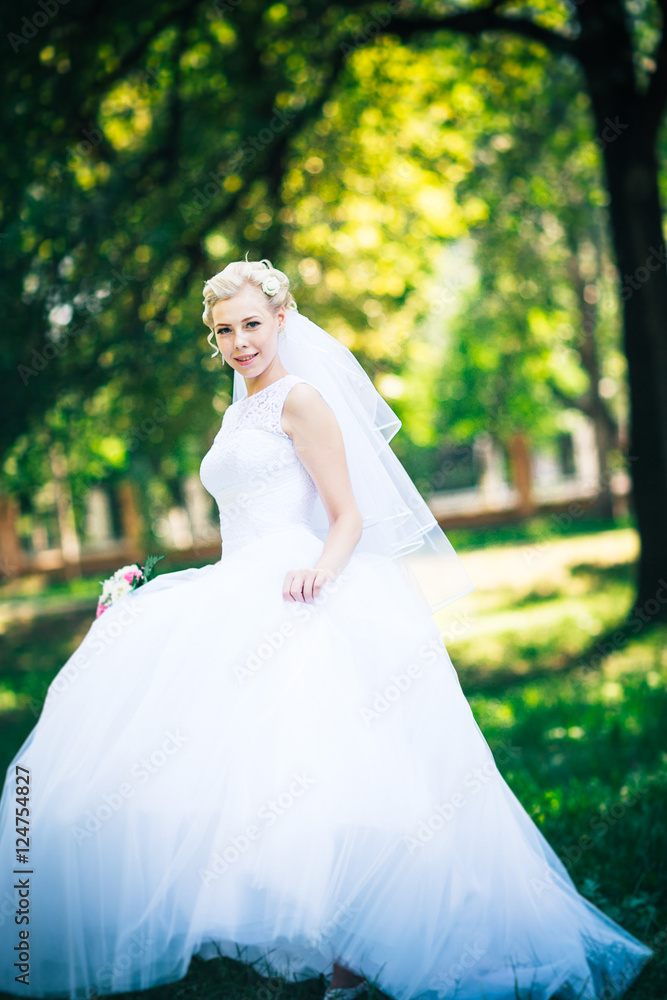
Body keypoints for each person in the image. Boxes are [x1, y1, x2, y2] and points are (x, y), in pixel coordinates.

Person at [0, 258, 653, 1000]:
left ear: (281, 319)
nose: (240, 342)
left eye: (251, 324)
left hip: (299, 585)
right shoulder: (234, 410)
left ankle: (358, 957)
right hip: (237, 583)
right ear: (211, 340)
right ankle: (329, 944)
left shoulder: (300, 399)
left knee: (340, 773)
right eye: (224, 331)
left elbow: (347, 515)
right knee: (249, 770)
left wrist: (320, 571)